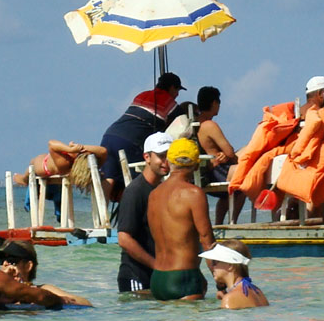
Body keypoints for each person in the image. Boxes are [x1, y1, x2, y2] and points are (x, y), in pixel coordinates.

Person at [100, 72, 186, 201]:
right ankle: (142, 211)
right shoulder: (170, 103)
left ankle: (101, 217)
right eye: (177, 90)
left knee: (109, 178)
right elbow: (182, 121)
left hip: (110, 136)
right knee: (144, 179)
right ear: (172, 87)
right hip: (130, 141)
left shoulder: (141, 95)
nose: (177, 94)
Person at [147, 138, 215, 301]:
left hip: (158, 280)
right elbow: (207, 240)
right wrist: (220, 282)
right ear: (197, 165)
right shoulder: (194, 194)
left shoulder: (153, 194)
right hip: (184, 278)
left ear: (169, 162)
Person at [116, 132, 172, 293]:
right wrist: (156, 265)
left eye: (169, 156)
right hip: (136, 276)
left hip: (158, 275)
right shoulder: (135, 191)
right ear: (147, 157)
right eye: (161, 156)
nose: (166, 162)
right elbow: (124, 238)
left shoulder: (163, 190)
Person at [196, 86, 245, 225]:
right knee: (242, 183)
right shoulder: (209, 125)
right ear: (214, 103)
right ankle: (233, 222)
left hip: (208, 170)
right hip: (216, 171)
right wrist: (227, 154)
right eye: (219, 102)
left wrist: (226, 154)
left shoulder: (196, 122)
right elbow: (229, 151)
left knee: (226, 195)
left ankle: (218, 223)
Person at [0, 240, 92, 306]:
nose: (5, 264)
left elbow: (85, 303)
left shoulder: (43, 290)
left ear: (28, 266)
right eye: (2, 260)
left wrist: (52, 299)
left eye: (12, 260)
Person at [199, 239, 269, 309]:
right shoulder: (257, 292)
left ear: (230, 265)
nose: (211, 266)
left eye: (214, 262)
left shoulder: (230, 298)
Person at [12, 140, 107, 186]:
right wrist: (80, 147)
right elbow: (103, 151)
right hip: (53, 161)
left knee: (31, 166)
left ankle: (24, 180)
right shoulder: (95, 165)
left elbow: (51, 143)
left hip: (44, 167)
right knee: (34, 164)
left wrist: (71, 148)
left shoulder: (65, 163)